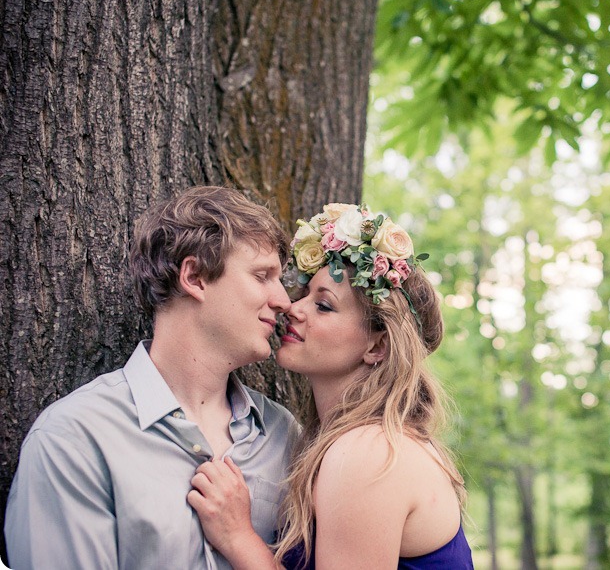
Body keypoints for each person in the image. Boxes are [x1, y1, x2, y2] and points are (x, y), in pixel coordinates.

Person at [4, 186, 300, 569]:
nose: (284, 301)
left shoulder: (284, 436)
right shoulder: (75, 439)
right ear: (194, 277)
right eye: (263, 276)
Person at [187, 203, 473, 569]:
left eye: (323, 305)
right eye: (305, 294)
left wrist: (237, 536)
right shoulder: (361, 442)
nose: (293, 308)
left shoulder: (371, 454)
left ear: (377, 346)